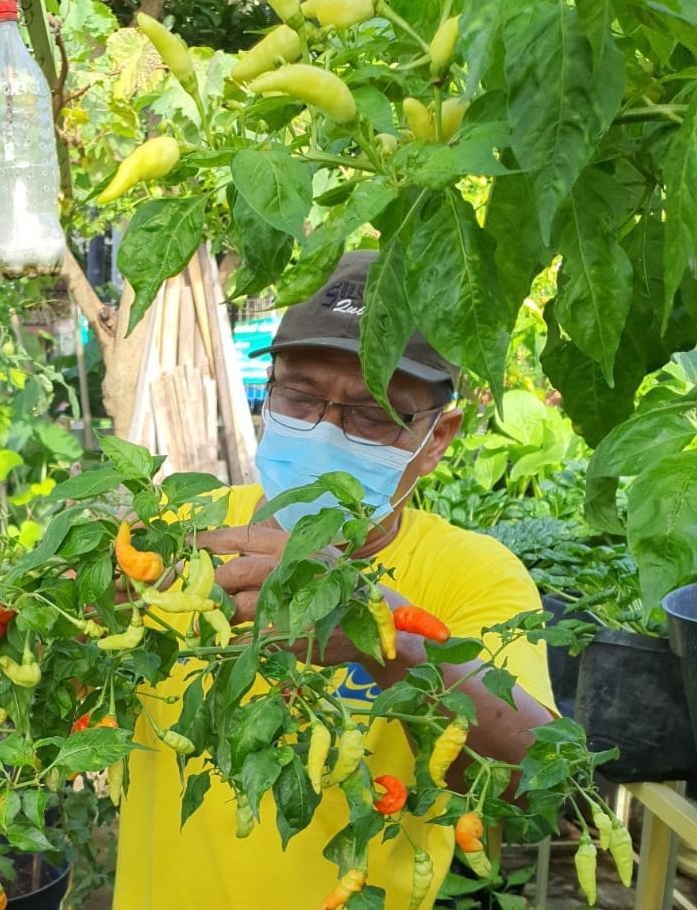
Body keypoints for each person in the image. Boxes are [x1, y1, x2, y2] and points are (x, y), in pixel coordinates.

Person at [111, 250, 557, 909]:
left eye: (372, 413)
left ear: (438, 438)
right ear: (270, 390)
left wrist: (390, 636)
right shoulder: (177, 534)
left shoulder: (469, 573)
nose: (324, 432)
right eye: (300, 396)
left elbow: (539, 781)